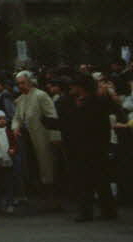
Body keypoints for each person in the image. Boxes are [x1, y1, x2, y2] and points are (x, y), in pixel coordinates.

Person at [61, 74, 125, 221]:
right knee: (95, 179)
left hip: (94, 145)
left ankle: (94, 211)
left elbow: (97, 122)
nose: (71, 88)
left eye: (74, 85)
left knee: (91, 179)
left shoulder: (96, 101)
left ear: (81, 87)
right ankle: (104, 210)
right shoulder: (80, 101)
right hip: (88, 145)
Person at [12, 71, 60, 210]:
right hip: (28, 139)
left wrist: (55, 137)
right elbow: (16, 118)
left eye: (23, 83)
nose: (20, 86)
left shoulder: (41, 95)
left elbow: (52, 117)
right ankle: (43, 199)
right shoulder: (20, 99)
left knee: (47, 168)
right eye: (18, 84)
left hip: (43, 137)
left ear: (30, 82)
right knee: (34, 168)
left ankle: (53, 201)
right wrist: (15, 127)